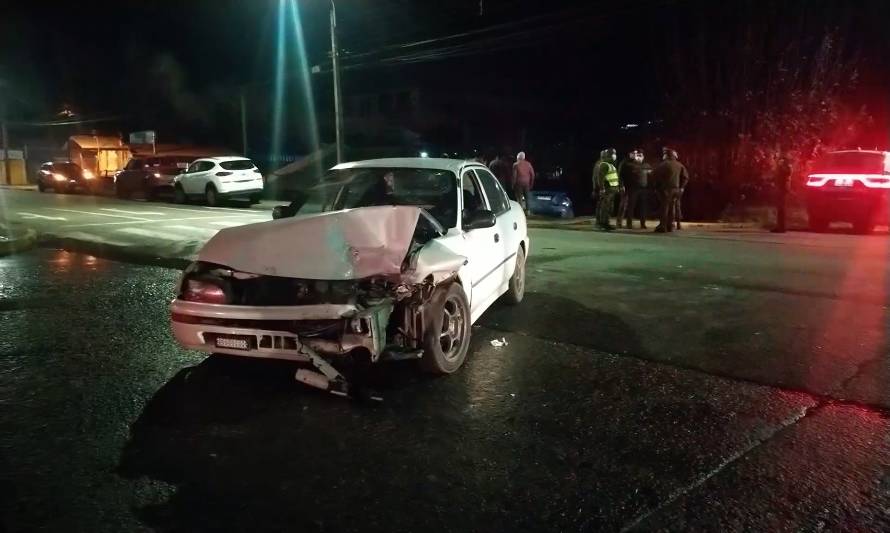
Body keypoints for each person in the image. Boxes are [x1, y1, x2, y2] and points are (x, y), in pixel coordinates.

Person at [651, 147, 689, 233]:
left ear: (666, 155)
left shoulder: (663, 165)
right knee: (672, 208)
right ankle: (670, 226)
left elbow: (654, 175)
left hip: (666, 190)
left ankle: (662, 226)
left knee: (664, 208)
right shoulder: (680, 165)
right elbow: (686, 177)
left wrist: (656, 186)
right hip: (677, 190)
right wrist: (682, 187)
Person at [617, 149, 648, 229]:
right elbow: (620, 176)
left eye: (638, 154)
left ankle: (643, 224)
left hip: (643, 188)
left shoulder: (644, 165)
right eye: (635, 154)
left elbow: (649, 175)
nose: (636, 155)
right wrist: (621, 185)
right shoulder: (626, 164)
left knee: (643, 207)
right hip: (631, 188)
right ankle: (626, 223)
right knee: (628, 206)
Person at [593, 148, 619, 230]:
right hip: (608, 190)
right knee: (605, 207)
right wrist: (601, 189)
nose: (614, 156)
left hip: (611, 189)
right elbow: (599, 178)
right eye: (613, 154)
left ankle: (604, 223)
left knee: (608, 207)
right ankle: (603, 223)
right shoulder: (604, 164)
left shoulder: (610, 165)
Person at [772, 150, 792, 233]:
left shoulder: (787, 166)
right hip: (780, 187)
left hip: (783, 188)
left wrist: (780, 166)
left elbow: (786, 174)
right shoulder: (782, 166)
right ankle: (779, 226)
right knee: (780, 208)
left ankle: (782, 227)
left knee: (782, 208)